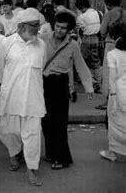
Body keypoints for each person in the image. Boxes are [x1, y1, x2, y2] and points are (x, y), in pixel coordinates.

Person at [0, 9, 46, 186]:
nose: (37, 30)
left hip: (33, 97)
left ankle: (32, 169)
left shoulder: (41, 45)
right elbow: (1, 69)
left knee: (32, 134)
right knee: (7, 129)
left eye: (38, 26)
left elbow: (42, 68)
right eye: (33, 26)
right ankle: (14, 153)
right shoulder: (6, 43)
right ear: (22, 26)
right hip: (11, 95)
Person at [40, 12, 94, 170]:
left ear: (69, 30)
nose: (59, 30)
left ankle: (62, 158)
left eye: (63, 28)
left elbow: (81, 66)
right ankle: (51, 153)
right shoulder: (43, 38)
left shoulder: (73, 45)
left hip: (60, 84)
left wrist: (88, 86)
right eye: (57, 26)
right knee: (46, 121)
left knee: (59, 123)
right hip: (42, 83)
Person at [100, 27, 126, 162]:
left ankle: (113, 152)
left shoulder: (113, 54)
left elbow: (112, 78)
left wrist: (113, 96)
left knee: (115, 123)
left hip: (119, 92)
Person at [98, 0, 126, 110]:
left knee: (109, 72)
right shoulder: (125, 13)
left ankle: (108, 100)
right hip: (124, 44)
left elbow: (102, 31)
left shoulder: (109, 14)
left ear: (108, 4)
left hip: (111, 44)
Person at [75, 0, 102, 93]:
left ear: (81, 7)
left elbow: (80, 29)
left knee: (83, 61)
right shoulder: (99, 13)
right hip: (97, 39)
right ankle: (99, 82)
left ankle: (93, 83)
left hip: (87, 39)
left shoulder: (81, 17)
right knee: (96, 61)